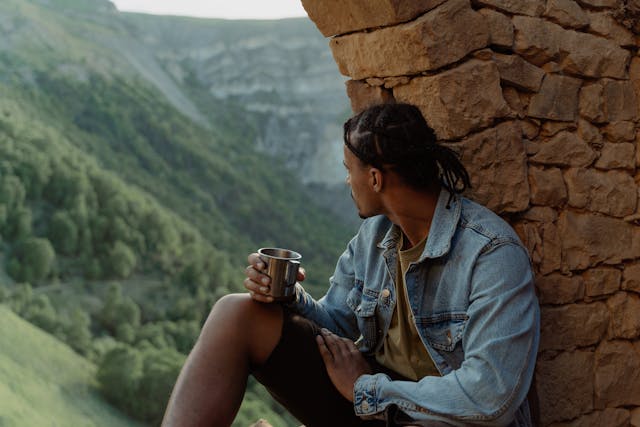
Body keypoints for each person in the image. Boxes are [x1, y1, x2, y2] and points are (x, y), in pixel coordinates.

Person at [161, 103, 540, 427]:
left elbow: (491, 397)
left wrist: (365, 388)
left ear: (374, 178)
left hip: (431, 417)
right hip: (369, 401)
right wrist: (290, 297)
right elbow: (337, 323)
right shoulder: (375, 237)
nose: (346, 181)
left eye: (349, 169)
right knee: (237, 312)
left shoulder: (491, 253)